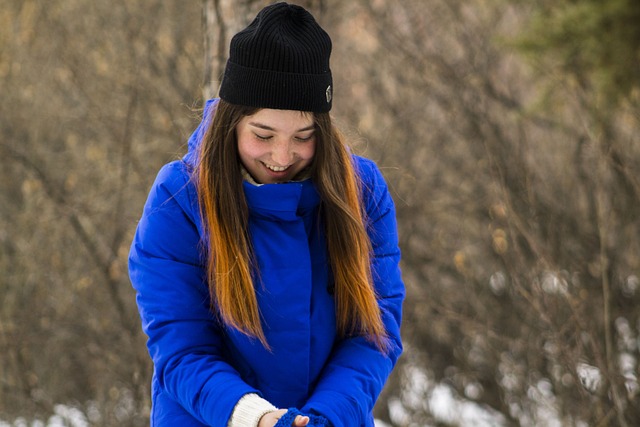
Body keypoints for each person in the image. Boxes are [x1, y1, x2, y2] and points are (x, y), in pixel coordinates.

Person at [128, 2, 405, 426]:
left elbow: (374, 333)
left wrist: (324, 418)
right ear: (232, 122)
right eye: (263, 135)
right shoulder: (178, 198)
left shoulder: (362, 192)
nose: (281, 156)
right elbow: (182, 349)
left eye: (303, 136)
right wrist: (256, 418)